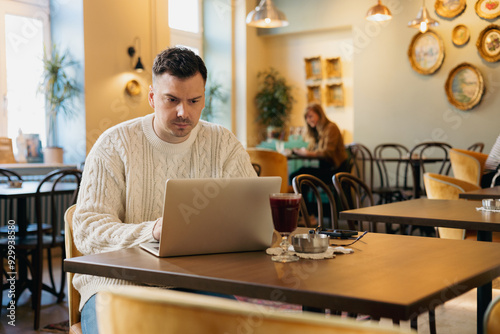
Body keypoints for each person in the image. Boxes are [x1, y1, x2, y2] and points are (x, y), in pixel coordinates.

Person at [73, 47, 257, 334]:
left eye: (194, 100)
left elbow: (252, 213)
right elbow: (86, 230)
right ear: (151, 98)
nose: (184, 112)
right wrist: (153, 232)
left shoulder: (223, 143)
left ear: (203, 98)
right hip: (117, 283)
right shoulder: (114, 144)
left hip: (196, 281)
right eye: (171, 100)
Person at [289, 103, 348, 186]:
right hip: (326, 168)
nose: (308, 120)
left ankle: (302, 199)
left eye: (310, 116)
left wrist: (307, 153)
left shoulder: (331, 128)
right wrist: (296, 151)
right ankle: (303, 199)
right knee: (299, 176)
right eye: (306, 117)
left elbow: (327, 153)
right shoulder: (318, 131)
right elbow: (314, 150)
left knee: (298, 177)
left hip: (335, 171)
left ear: (320, 115)